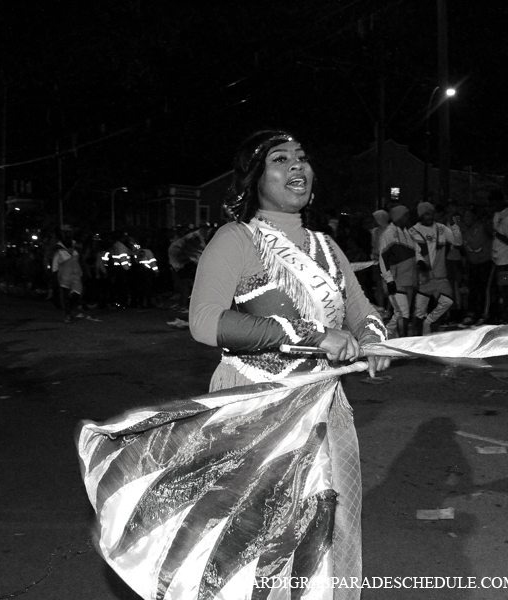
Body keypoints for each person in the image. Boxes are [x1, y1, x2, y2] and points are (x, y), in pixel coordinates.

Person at [190, 129, 390, 598]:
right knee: (258, 532)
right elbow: (204, 322)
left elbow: (364, 313)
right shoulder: (236, 239)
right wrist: (315, 337)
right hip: (258, 402)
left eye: (302, 157)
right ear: (256, 179)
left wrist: (375, 341)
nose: (297, 166)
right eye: (280, 159)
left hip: (322, 403)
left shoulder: (326, 245)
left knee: (324, 522)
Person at [410, 201, 457, 334]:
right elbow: (413, 251)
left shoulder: (441, 228)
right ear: (421, 215)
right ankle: (418, 340)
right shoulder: (413, 231)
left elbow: (456, 240)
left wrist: (453, 224)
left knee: (448, 301)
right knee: (419, 311)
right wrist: (419, 262)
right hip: (423, 278)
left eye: (431, 213)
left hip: (440, 277)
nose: (430, 216)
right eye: (426, 214)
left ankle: (429, 322)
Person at [378, 205, 418, 337]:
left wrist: (421, 262)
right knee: (403, 313)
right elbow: (383, 258)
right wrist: (388, 279)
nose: (408, 218)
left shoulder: (407, 232)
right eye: (405, 215)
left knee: (400, 312)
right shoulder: (388, 234)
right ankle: (403, 342)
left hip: (409, 279)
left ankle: (386, 333)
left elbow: (416, 251)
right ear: (399, 217)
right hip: (396, 280)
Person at [460, 205, 493, 325]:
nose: (466, 219)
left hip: (485, 262)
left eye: (468, 216)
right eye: (465, 217)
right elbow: (464, 247)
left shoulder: (479, 227)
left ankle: (484, 314)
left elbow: (475, 245)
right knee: (473, 289)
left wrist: (464, 234)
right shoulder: (467, 230)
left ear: (474, 217)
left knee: (483, 289)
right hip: (473, 263)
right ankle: (472, 314)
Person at [489, 190, 508, 323]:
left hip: (507, 261)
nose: (493, 205)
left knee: (506, 289)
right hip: (498, 259)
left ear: (501, 201)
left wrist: (495, 233)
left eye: (495, 202)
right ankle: (504, 315)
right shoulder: (497, 214)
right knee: (501, 289)